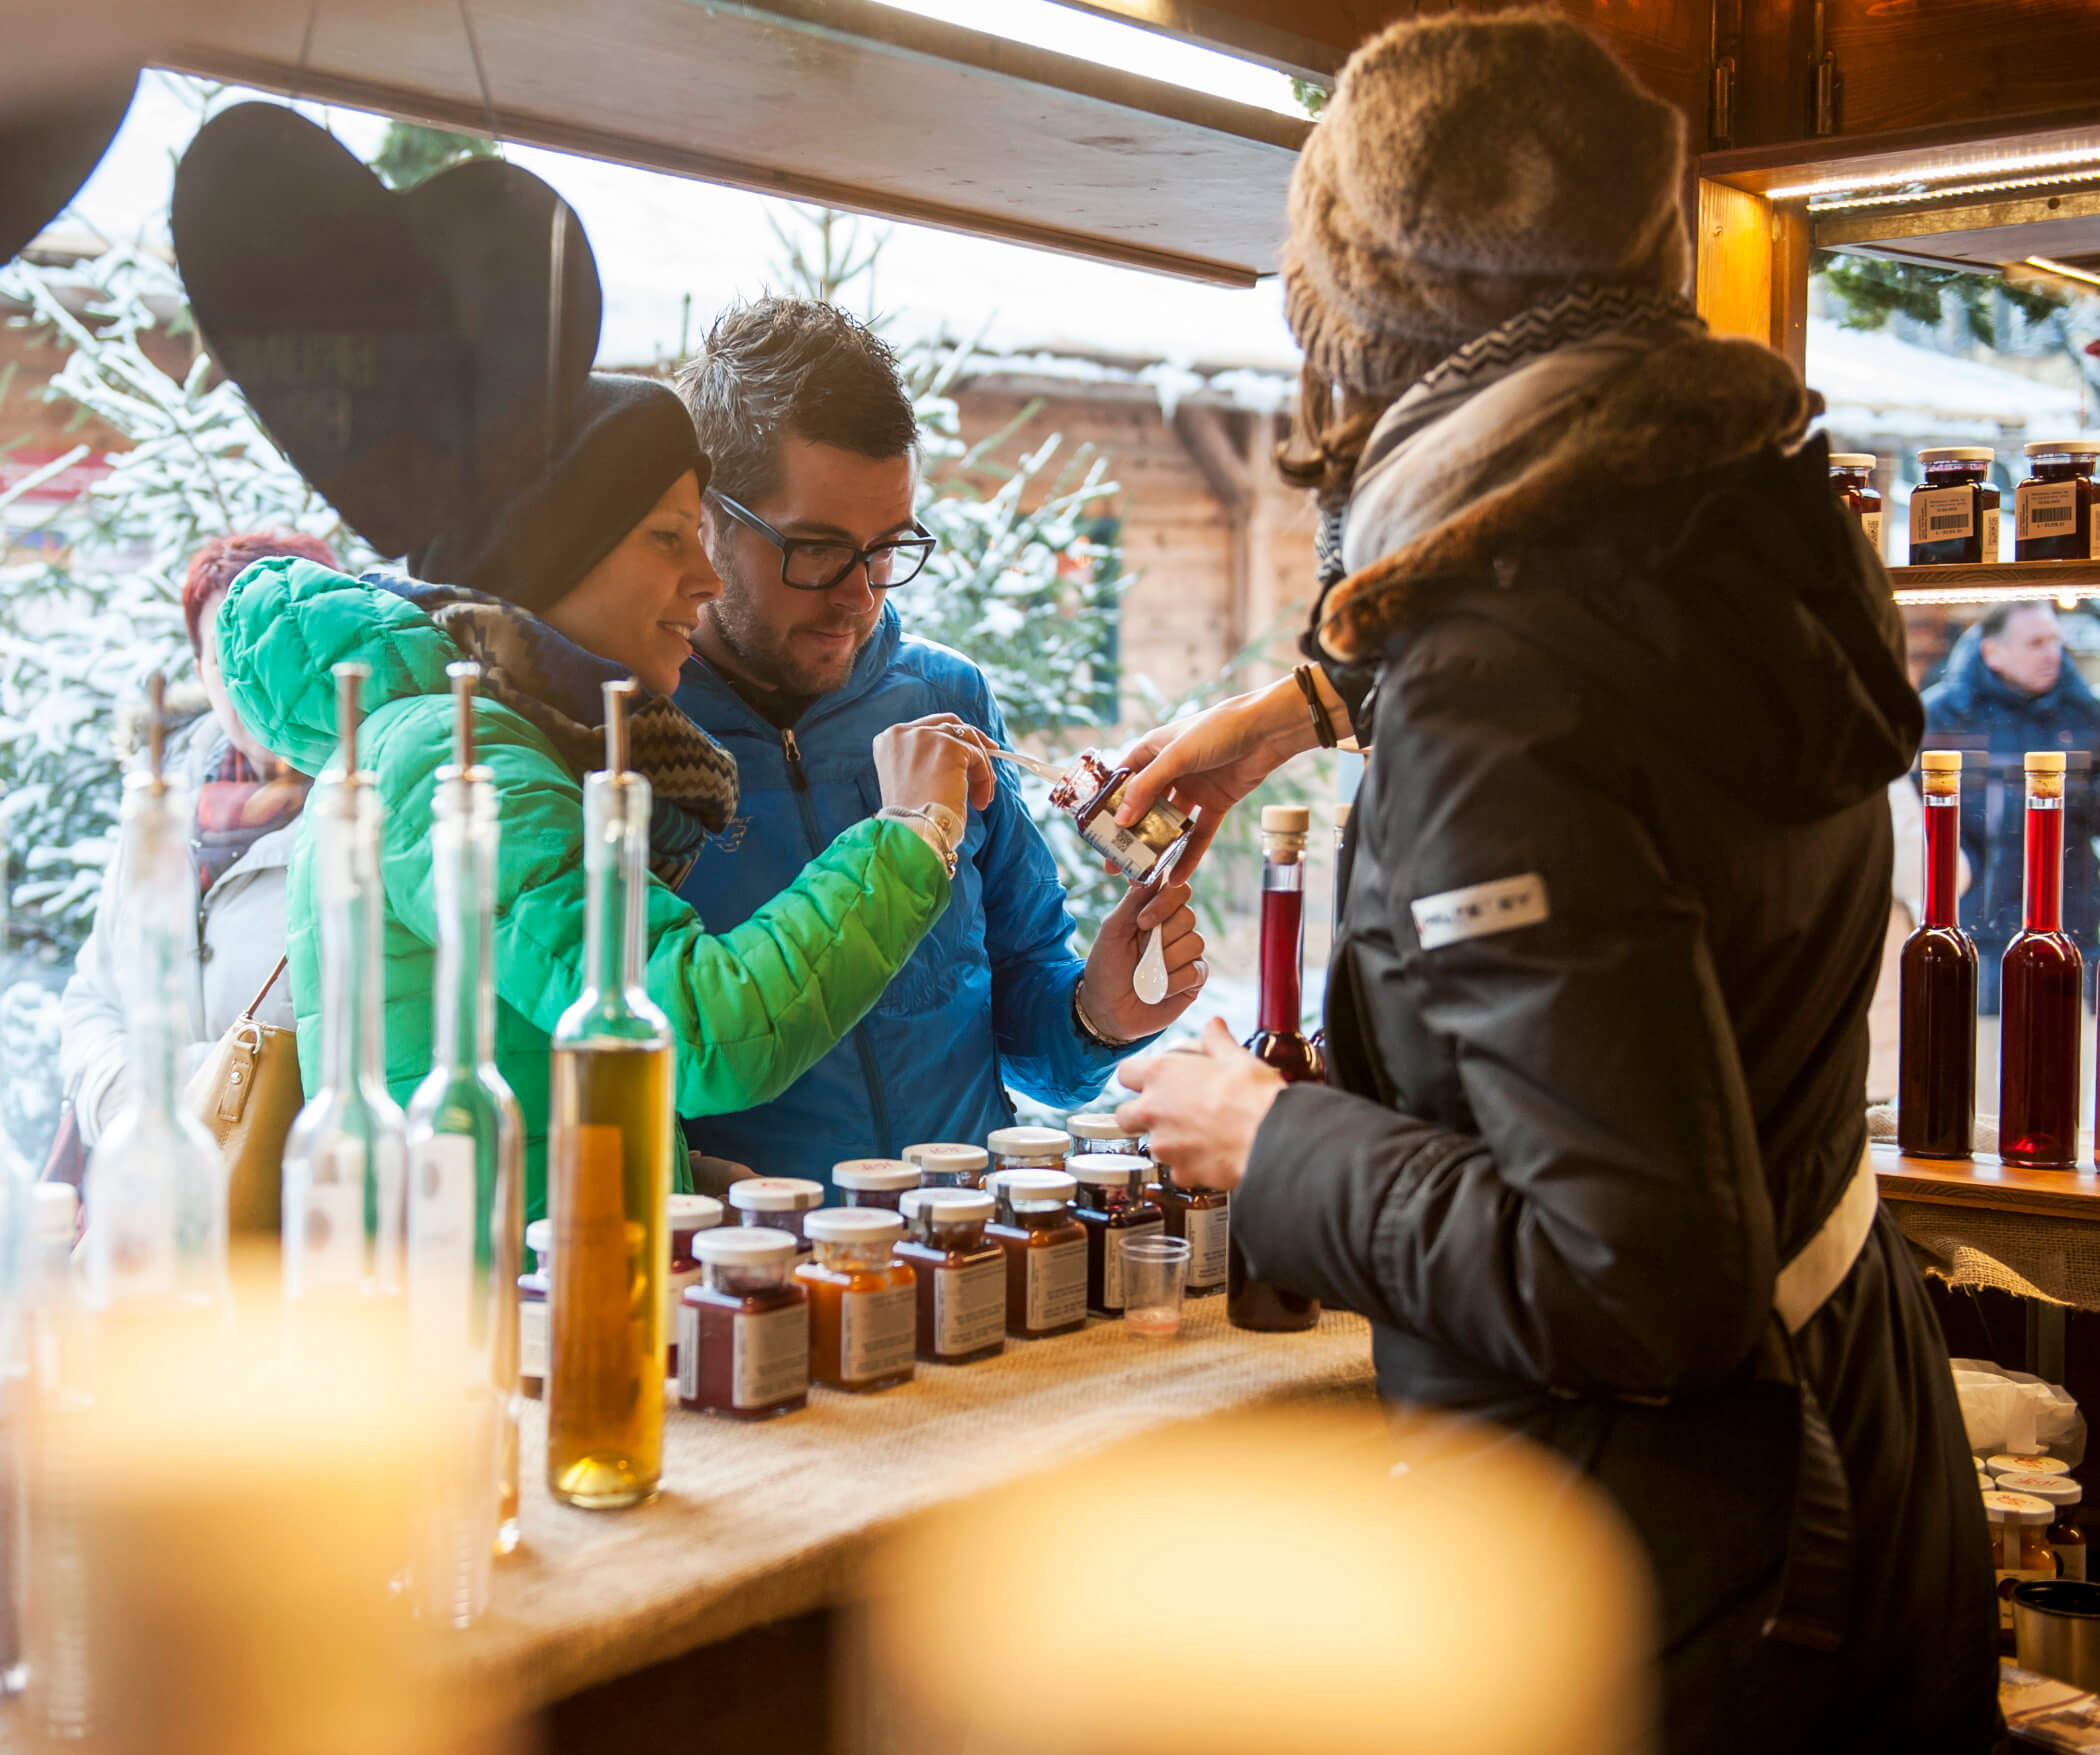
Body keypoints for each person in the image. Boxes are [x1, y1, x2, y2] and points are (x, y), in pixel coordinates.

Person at [1107, 15, 1995, 1754]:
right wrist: (1303, 710)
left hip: (1688, 1575)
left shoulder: (1499, 690)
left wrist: (1269, 1141)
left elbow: (1633, 1273)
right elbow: (1605, 660)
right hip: (1854, 1465)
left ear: (1371, 322)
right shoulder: (1748, 531)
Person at [217, 372, 990, 1220]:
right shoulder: (453, 757)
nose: (706, 579)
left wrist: (673, 1174)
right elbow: (695, 1032)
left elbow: (535, 1048)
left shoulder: (486, 739)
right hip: (492, 1297)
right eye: (667, 538)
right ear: (553, 547)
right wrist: (913, 830)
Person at [670, 301, 1207, 1182]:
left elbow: (1025, 997)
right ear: (706, 518)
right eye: (816, 550)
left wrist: (1096, 1014)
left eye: (886, 548)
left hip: (970, 1237)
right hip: (760, 1252)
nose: (859, 597)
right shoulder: (632, 741)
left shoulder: (947, 696)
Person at [59, 530, 335, 1153]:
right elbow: (92, 996)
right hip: (144, 1180)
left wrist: (178, 1094)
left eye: (276, 650)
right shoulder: (159, 801)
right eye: (225, 655)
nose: (252, 680)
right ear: (199, 671)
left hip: (293, 1189)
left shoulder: (368, 813)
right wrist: (120, 1100)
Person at [1920, 602, 2100, 1008]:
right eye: (2036, 643)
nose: (2052, 654)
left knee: (2063, 1038)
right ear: (1993, 653)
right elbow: (1912, 822)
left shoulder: (2086, 714)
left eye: (2055, 641)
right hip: (1969, 933)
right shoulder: (1942, 717)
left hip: (2068, 931)